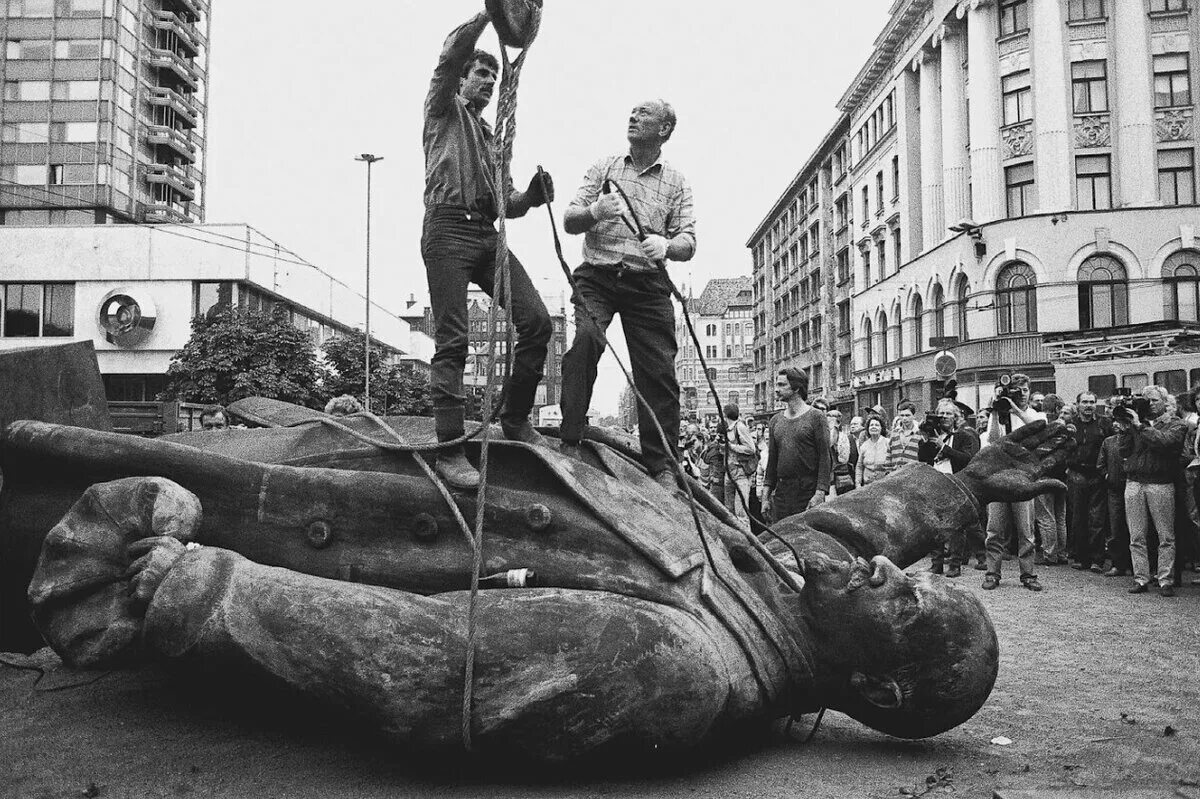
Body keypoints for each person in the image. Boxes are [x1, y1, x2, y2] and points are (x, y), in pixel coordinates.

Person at [15, 415, 1075, 761]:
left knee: (30, 484)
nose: (894, 572)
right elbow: (842, 533)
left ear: (876, 689)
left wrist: (205, 590)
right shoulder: (779, 608)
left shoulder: (684, 667)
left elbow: (432, 668)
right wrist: (961, 487)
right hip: (375, 469)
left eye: (906, 602)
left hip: (303, 530)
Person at [421, 11, 555, 490]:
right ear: (461, 81)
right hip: (447, 231)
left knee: (538, 322)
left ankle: (515, 419)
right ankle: (449, 448)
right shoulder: (442, 110)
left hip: (484, 235)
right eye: (483, 74)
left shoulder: (492, 138)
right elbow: (450, 53)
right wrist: (491, 12)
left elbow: (506, 204)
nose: (491, 83)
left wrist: (533, 197)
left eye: (495, 77)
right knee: (453, 340)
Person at [559, 99, 696, 488]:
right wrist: (595, 212)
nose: (633, 117)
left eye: (644, 114)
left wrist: (666, 246)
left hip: (647, 284)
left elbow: (689, 240)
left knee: (658, 372)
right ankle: (571, 436)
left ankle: (664, 465)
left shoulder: (677, 182)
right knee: (586, 340)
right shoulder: (604, 167)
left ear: (665, 130)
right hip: (597, 277)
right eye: (632, 113)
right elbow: (570, 219)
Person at [1119, 385, 1188, 597]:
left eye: (1154, 400)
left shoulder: (1176, 424)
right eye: (1145, 400)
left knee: (1165, 535)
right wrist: (1125, 429)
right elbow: (1123, 451)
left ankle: (1165, 579)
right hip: (1134, 482)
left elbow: (1164, 443)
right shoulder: (1136, 423)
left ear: (1165, 403)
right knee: (1136, 535)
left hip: (1160, 482)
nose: (1149, 404)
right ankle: (1141, 578)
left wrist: (1140, 426)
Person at [982, 373, 1047, 592]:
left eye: (1024, 390)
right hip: (999, 477)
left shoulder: (1034, 414)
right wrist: (995, 410)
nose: (1020, 394)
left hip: (1022, 477)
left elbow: (1039, 427)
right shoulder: (999, 415)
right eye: (1015, 390)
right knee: (994, 530)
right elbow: (991, 438)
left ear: (1030, 392)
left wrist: (1016, 410)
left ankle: (1028, 574)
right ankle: (992, 573)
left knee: (1026, 530)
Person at [761, 368, 831, 523]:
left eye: (781, 385)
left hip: (808, 493)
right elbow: (772, 463)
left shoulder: (816, 418)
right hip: (782, 495)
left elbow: (825, 458)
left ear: (796, 388)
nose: (776, 389)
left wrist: (820, 493)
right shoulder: (775, 421)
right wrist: (765, 497)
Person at [927, 398, 982, 577]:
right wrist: (925, 440)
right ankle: (936, 564)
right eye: (941, 413)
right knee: (935, 524)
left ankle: (955, 564)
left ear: (955, 417)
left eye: (948, 414)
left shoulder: (963, 436)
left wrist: (944, 447)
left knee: (957, 527)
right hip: (935, 482)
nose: (944, 417)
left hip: (956, 483)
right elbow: (923, 458)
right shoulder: (932, 435)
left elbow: (967, 459)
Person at [1062, 392, 1111, 572]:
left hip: (1097, 475)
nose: (1088, 405)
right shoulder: (1070, 425)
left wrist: (1106, 472)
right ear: (1077, 404)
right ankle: (1080, 558)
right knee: (1078, 518)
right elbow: (1060, 447)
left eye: (1092, 402)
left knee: (1097, 519)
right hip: (1076, 474)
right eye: (1085, 402)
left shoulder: (1104, 424)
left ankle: (1097, 559)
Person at [1097, 400, 1132, 578]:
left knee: (1135, 528)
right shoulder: (1108, 442)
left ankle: (1137, 566)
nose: (1117, 425)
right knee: (1116, 527)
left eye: (1121, 421)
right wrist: (1107, 476)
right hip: (1115, 490)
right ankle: (1118, 564)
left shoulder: (1135, 439)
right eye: (1115, 422)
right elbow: (1100, 464)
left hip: (1133, 486)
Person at [721, 403, 757, 519]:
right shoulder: (728, 429)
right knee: (729, 512)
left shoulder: (740, 427)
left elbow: (751, 449)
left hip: (740, 472)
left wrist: (732, 446)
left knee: (741, 513)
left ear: (725, 415)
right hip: (729, 472)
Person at [827, 409, 858, 497]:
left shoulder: (843, 437)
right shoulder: (823, 435)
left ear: (838, 423)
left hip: (839, 477)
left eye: (831, 421)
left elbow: (843, 459)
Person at [856, 416, 890, 488]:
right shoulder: (864, 446)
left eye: (877, 425)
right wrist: (858, 484)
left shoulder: (888, 443)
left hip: (884, 486)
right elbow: (859, 466)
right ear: (868, 429)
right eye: (871, 425)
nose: (873, 427)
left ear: (881, 428)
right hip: (867, 486)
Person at [887, 400, 921, 471]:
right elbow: (888, 455)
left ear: (913, 416)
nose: (905, 418)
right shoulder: (894, 433)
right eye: (902, 415)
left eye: (907, 415)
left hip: (913, 475)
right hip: (895, 475)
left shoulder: (920, 434)